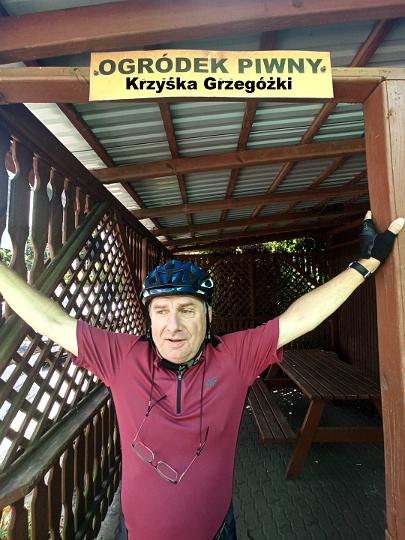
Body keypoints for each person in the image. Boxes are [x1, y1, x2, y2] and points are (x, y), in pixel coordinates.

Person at [0, 211, 403, 540]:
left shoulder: (233, 357)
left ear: (208, 316)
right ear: (149, 318)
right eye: (161, 311)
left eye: (187, 310)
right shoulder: (123, 357)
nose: (173, 326)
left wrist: (363, 266)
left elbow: (299, 318)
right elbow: (50, 320)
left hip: (217, 531)